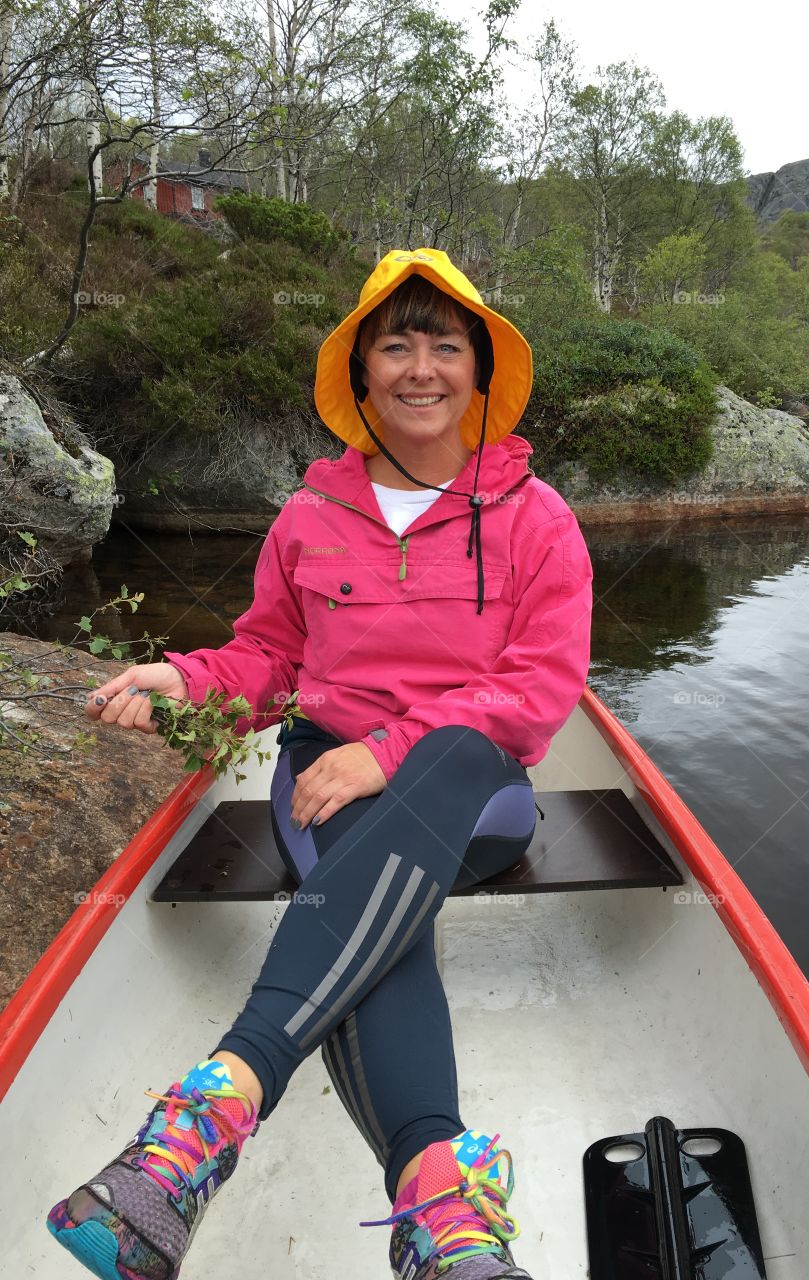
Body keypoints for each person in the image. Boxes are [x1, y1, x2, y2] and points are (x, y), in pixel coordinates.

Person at [47, 248, 593, 1280]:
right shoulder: (308, 516)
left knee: (452, 759)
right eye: (396, 344)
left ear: (480, 373)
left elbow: (536, 692)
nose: (421, 366)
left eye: (445, 344)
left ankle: (209, 1114)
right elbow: (265, 660)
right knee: (375, 889)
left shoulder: (537, 518)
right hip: (324, 779)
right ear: (359, 374)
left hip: (478, 795)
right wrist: (178, 679)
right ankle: (444, 1208)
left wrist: (389, 751)